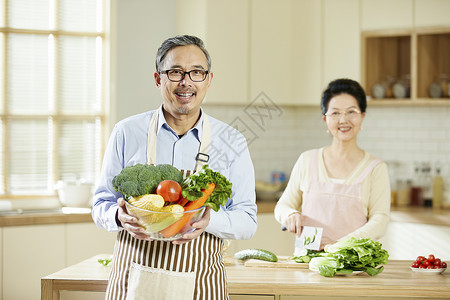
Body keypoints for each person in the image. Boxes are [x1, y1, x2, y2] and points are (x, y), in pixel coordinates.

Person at [92, 35, 257, 300]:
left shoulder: (232, 141)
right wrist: (117, 216)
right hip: (134, 278)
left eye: (196, 72)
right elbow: (100, 204)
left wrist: (209, 220)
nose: (186, 82)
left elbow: (247, 221)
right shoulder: (127, 132)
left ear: (208, 80)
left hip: (201, 282)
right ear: (159, 79)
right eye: (176, 72)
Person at [274, 78, 390, 249]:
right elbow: (283, 205)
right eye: (335, 113)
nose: (343, 120)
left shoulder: (376, 168)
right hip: (308, 262)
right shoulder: (307, 160)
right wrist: (289, 214)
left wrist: (341, 245)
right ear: (325, 120)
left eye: (351, 112)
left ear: (362, 117)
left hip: (354, 263)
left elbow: (380, 219)